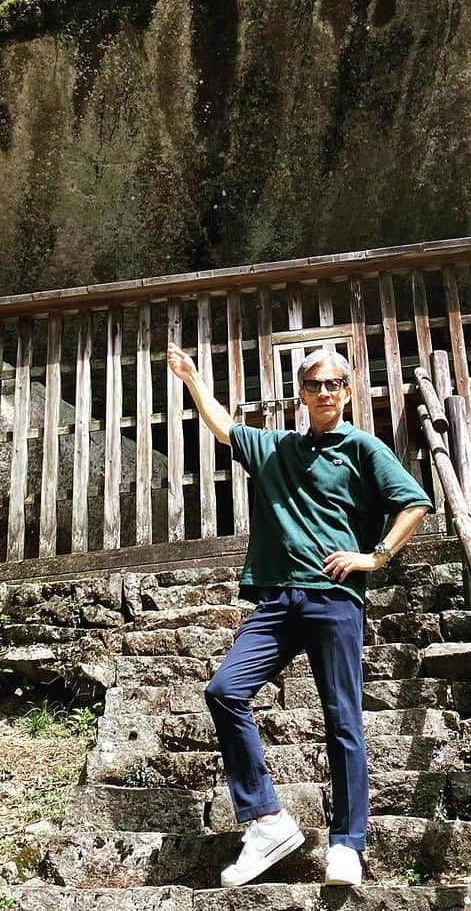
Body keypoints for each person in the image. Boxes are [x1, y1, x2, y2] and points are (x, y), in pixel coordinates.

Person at [166, 341, 433, 889]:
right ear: (302, 394)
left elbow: (415, 502)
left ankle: (347, 845)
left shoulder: (363, 448)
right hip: (278, 600)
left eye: (335, 382)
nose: (327, 391)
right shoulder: (276, 449)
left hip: (335, 598)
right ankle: (266, 820)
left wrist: (374, 556)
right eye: (316, 384)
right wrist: (193, 379)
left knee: (344, 720)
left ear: (348, 389)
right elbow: (222, 427)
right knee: (224, 691)